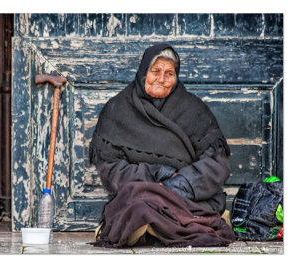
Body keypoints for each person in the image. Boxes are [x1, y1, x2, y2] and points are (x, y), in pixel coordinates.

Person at [89, 43, 235, 248]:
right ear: (143, 73)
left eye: (169, 73)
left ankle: (156, 227)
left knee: (157, 208)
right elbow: (110, 169)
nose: (162, 79)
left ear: (176, 77)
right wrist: (156, 174)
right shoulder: (117, 109)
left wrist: (180, 185)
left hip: (186, 196)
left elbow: (217, 163)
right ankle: (158, 225)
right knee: (138, 206)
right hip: (141, 191)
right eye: (155, 71)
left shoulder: (194, 109)